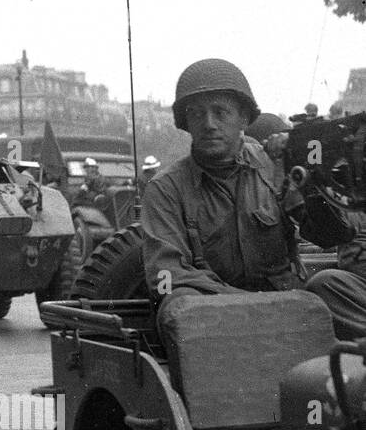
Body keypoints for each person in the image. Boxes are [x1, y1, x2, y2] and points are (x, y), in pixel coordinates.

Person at [142, 58, 366, 344]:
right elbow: (166, 277)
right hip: (216, 312)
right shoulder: (165, 189)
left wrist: (311, 183)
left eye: (220, 112)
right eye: (196, 114)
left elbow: (330, 236)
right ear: (186, 123)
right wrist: (249, 304)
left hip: (288, 304)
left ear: (244, 119)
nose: (209, 124)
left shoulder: (275, 167)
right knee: (179, 303)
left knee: (328, 285)